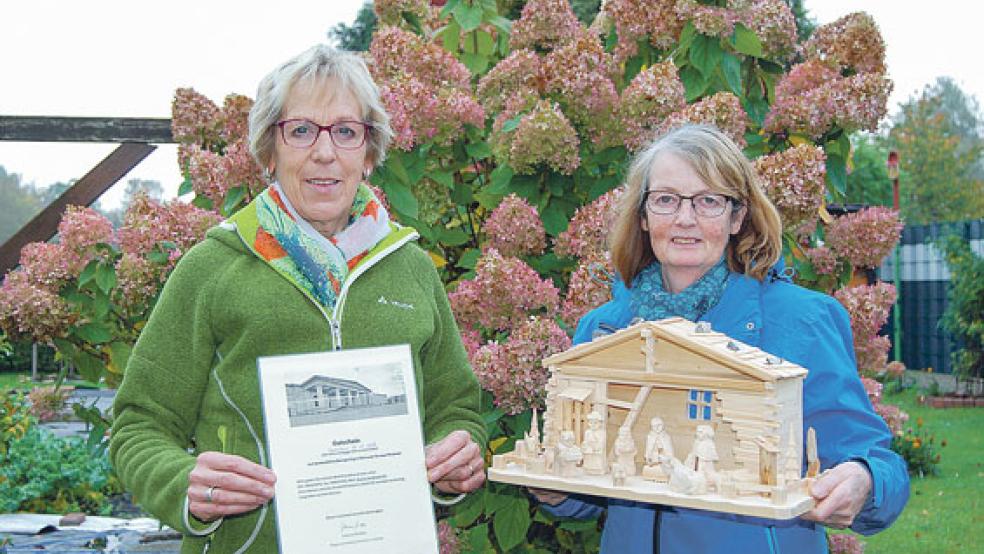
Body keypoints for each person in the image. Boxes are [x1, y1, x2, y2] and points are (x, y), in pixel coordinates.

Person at [109, 45, 486, 553]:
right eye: (302, 130)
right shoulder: (213, 268)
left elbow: (456, 408)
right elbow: (139, 424)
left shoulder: (411, 269)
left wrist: (458, 453)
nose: (325, 153)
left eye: (346, 132)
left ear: (370, 153)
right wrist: (185, 483)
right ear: (270, 150)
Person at [531, 125, 909, 553]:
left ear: (737, 217)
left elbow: (879, 465)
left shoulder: (802, 320)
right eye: (666, 199)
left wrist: (864, 479)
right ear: (643, 215)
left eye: (709, 200)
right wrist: (556, 491)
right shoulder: (605, 330)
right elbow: (595, 487)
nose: (685, 218)